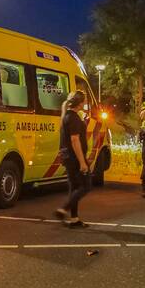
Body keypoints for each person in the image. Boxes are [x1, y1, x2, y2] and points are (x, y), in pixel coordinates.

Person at [55, 90, 91, 228]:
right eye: (85, 101)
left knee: (74, 186)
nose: (86, 103)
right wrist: (82, 162)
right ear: (80, 103)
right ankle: (63, 209)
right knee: (86, 186)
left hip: (68, 156)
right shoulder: (74, 118)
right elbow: (75, 140)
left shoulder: (68, 116)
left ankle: (74, 219)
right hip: (75, 157)